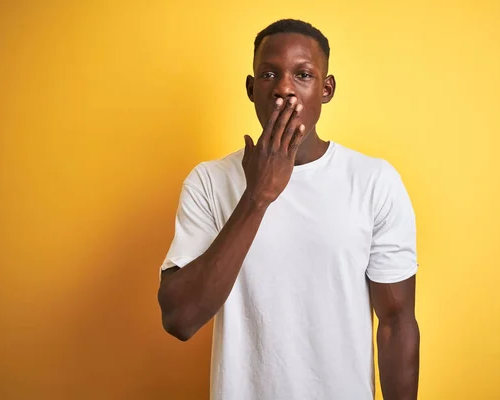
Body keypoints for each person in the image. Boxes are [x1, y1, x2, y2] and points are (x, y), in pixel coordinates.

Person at [157, 18, 419, 400]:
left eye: (303, 75)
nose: (283, 88)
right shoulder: (208, 182)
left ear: (326, 89)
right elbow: (179, 319)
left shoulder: (373, 181)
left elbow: (396, 323)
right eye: (268, 74)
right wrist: (257, 197)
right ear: (251, 89)